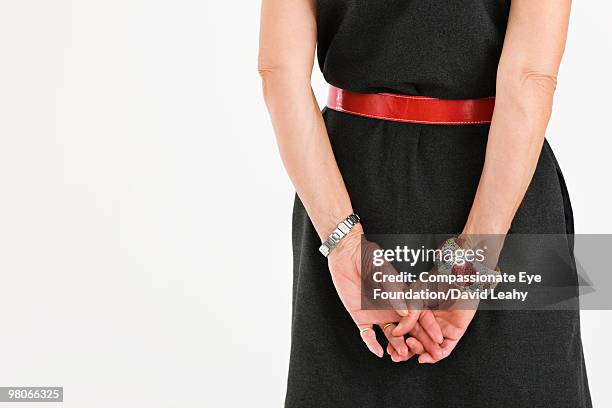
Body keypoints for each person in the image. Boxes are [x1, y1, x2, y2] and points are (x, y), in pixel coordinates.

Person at [258, 0, 591, 407]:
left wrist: (344, 244)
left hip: (345, 191)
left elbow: (279, 71)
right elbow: (532, 77)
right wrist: (474, 257)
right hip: (508, 190)